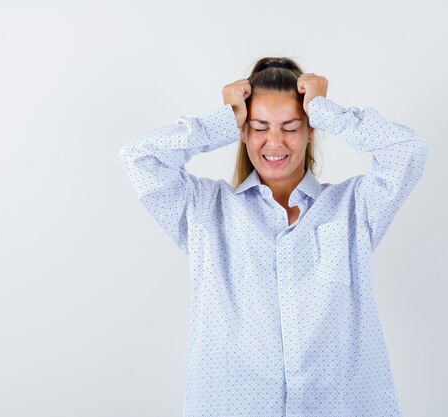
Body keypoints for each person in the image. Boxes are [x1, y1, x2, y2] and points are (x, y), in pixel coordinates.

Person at [117, 57, 428, 417]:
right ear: (243, 131)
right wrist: (223, 120)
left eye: (291, 126)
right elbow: (138, 158)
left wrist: (325, 111)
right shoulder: (205, 211)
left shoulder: (353, 209)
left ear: (311, 129)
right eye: (260, 126)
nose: (274, 142)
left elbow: (409, 150)